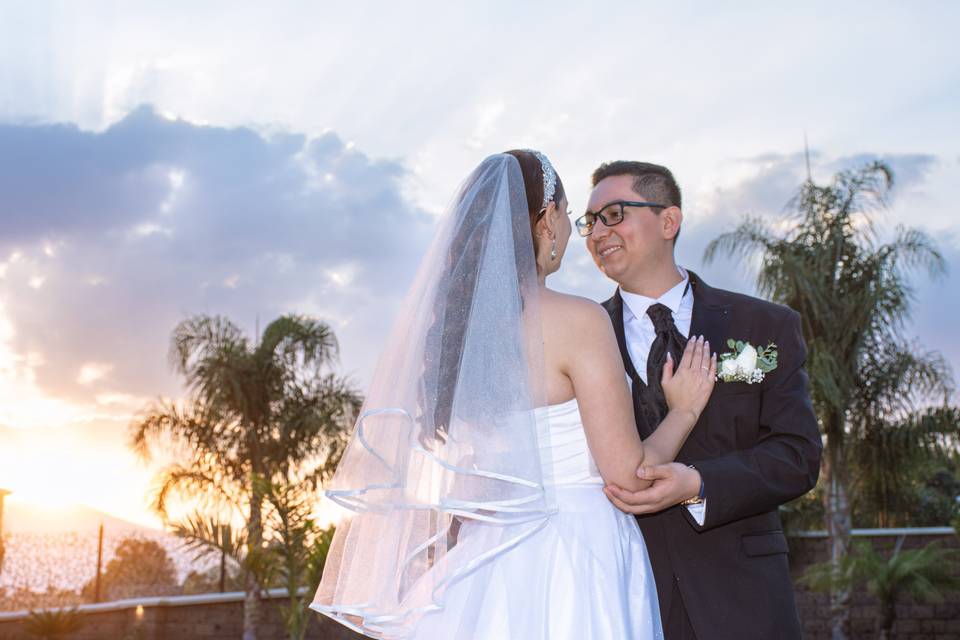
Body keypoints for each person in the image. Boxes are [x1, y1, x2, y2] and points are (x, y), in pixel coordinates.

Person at [312, 150, 716, 639]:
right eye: (569, 215)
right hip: (577, 552)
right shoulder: (579, 321)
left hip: (486, 557)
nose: (572, 229)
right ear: (546, 219)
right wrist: (685, 410)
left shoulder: (459, 337)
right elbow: (630, 480)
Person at [584, 161, 822, 639]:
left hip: (745, 598)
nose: (596, 233)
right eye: (588, 222)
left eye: (613, 214)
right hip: (623, 596)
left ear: (668, 221)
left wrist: (697, 483)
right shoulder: (582, 337)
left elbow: (797, 456)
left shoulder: (763, 327)